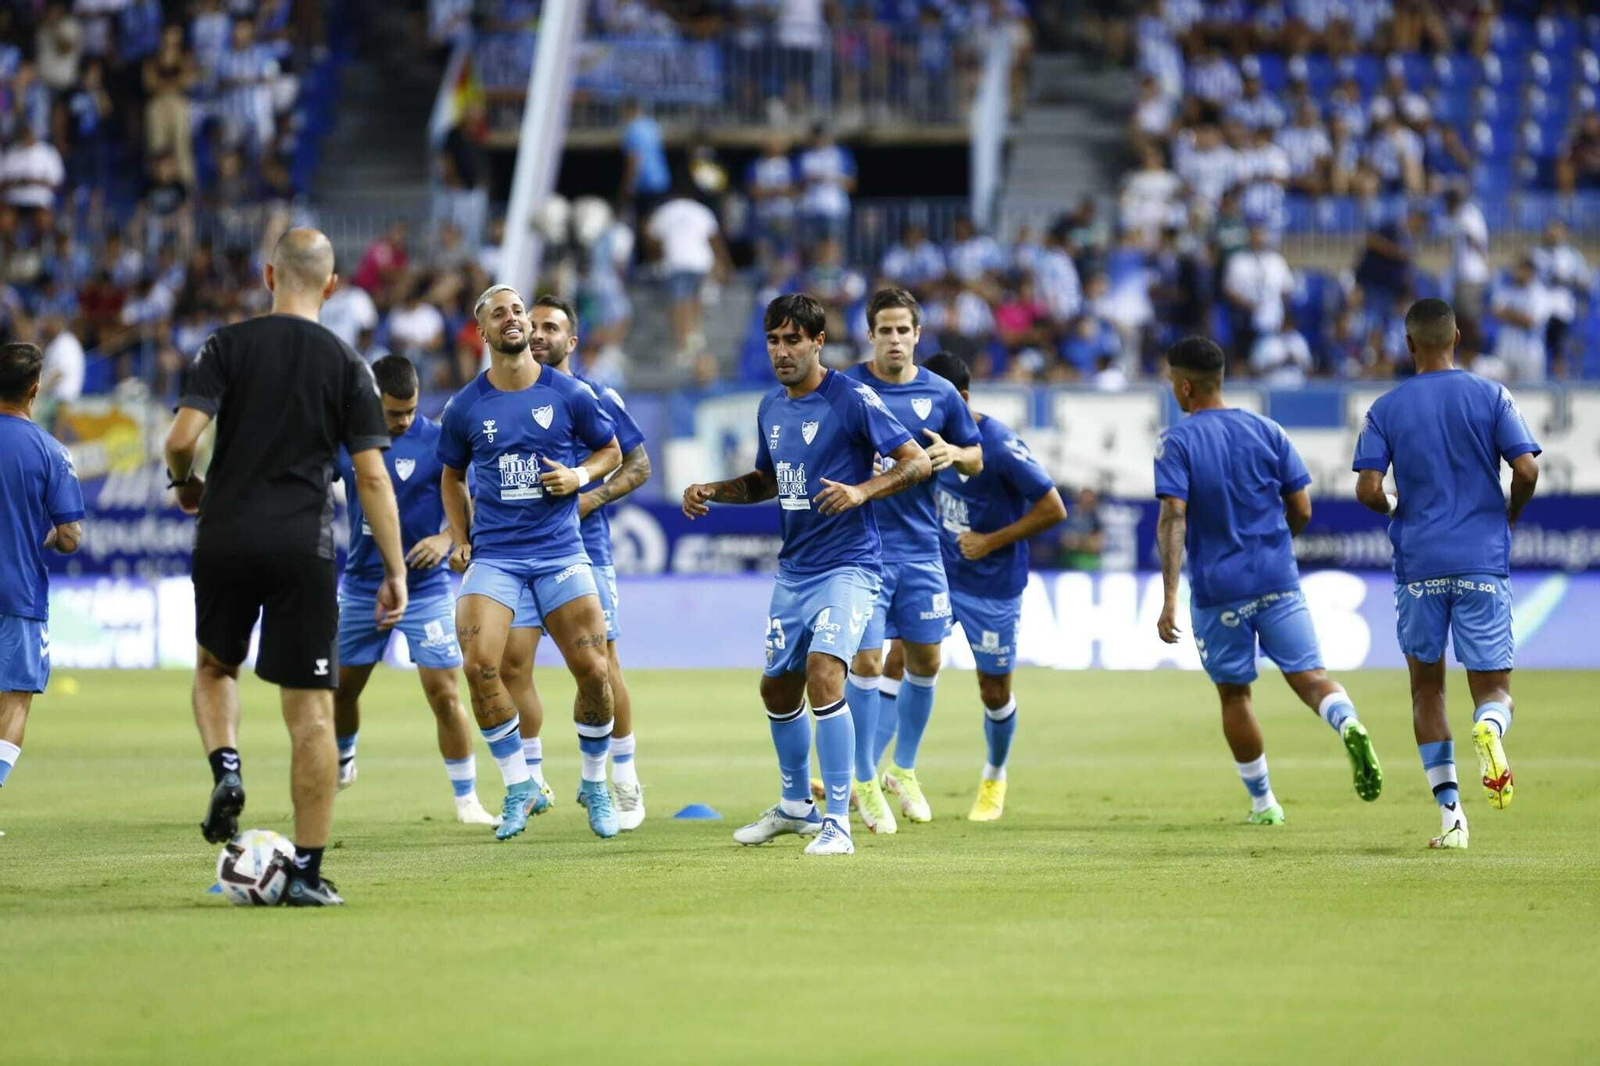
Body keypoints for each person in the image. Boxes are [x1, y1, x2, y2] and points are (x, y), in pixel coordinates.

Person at [164, 228, 407, 907]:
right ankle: (305, 871)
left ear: (270, 276)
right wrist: (394, 569)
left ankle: (227, 766)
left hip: (224, 534)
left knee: (216, 666)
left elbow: (181, 438)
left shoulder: (225, 345)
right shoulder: (348, 365)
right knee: (312, 716)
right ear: (331, 286)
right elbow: (372, 478)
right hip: (302, 544)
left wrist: (184, 483)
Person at [681, 293, 931, 856]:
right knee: (776, 687)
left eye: (793, 340)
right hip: (794, 571)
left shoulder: (852, 398)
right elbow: (767, 481)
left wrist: (862, 491)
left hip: (850, 566)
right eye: (773, 340)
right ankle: (796, 806)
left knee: (824, 674)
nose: (782, 351)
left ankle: (838, 822)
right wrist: (713, 490)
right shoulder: (770, 406)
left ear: (818, 342)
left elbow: (915, 461)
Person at [1155, 335, 1383, 826]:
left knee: (1235, 694)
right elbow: (1302, 508)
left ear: (1187, 387)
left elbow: (1174, 515)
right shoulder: (1268, 430)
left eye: (1173, 382)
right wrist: (1276, 544)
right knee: (1311, 678)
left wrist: (1170, 596)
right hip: (1278, 579)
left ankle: (1264, 805)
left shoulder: (1177, 441)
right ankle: (1346, 721)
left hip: (1219, 590)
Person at [1352, 298, 1540, 850]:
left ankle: (1452, 817)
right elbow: (1527, 468)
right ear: (1456, 337)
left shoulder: (1385, 408)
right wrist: (1511, 512)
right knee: (1494, 690)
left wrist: (1394, 508)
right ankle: (1490, 726)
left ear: (1409, 344)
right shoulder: (1492, 395)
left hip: (1419, 565)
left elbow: (1367, 488)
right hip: (1482, 558)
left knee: (1426, 689)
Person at [437, 285, 623, 842]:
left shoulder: (569, 393)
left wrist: (578, 476)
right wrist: (460, 537)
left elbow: (611, 451)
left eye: (518, 310)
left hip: (561, 551)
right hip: (497, 556)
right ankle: (519, 784)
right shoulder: (465, 405)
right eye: (500, 314)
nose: (514, 319)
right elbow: (451, 476)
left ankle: (595, 783)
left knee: (594, 671)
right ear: (483, 332)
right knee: (479, 666)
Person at [495, 296, 653, 831]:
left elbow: (637, 464)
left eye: (551, 327)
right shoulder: (504, 396)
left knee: (602, 666)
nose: (538, 334)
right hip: (516, 553)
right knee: (511, 665)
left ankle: (623, 777)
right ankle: (533, 779)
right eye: (533, 324)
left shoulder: (594, 396)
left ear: (572, 341)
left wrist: (586, 498)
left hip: (584, 551)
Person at [330, 354, 499, 826]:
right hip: (363, 587)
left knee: (445, 694)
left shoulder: (438, 440)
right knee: (341, 691)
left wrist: (447, 538)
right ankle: (344, 758)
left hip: (425, 589)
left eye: (410, 411)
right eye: (393, 413)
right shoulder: (348, 441)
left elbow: (473, 496)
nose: (404, 421)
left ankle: (467, 800)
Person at [840, 289, 982, 831]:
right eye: (886, 330)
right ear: (870, 335)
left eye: (904, 330)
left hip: (923, 551)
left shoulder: (941, 392)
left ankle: (903, 769)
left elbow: (976, 457)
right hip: (864, 551)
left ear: (918, 335)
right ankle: (862, 778)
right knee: (867, 664)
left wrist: (956, 453)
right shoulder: (847, 389)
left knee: (927, 661)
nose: (895, 339)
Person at [921, 352, 1066, 821]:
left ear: (961, 399)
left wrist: (990, 541)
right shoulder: (924, 437)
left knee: (994, 690)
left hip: (992, 584)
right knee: (900, 658)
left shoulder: (1000, 445)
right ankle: (870, 776)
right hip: (939, 572)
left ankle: (994, 776)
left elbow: (1053, 508)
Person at [0, 342, 85, 833]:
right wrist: (47, 535)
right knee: (13, 700)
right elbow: (70, 536)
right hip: (18, 594)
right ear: (35, 390)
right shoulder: (51, 451)